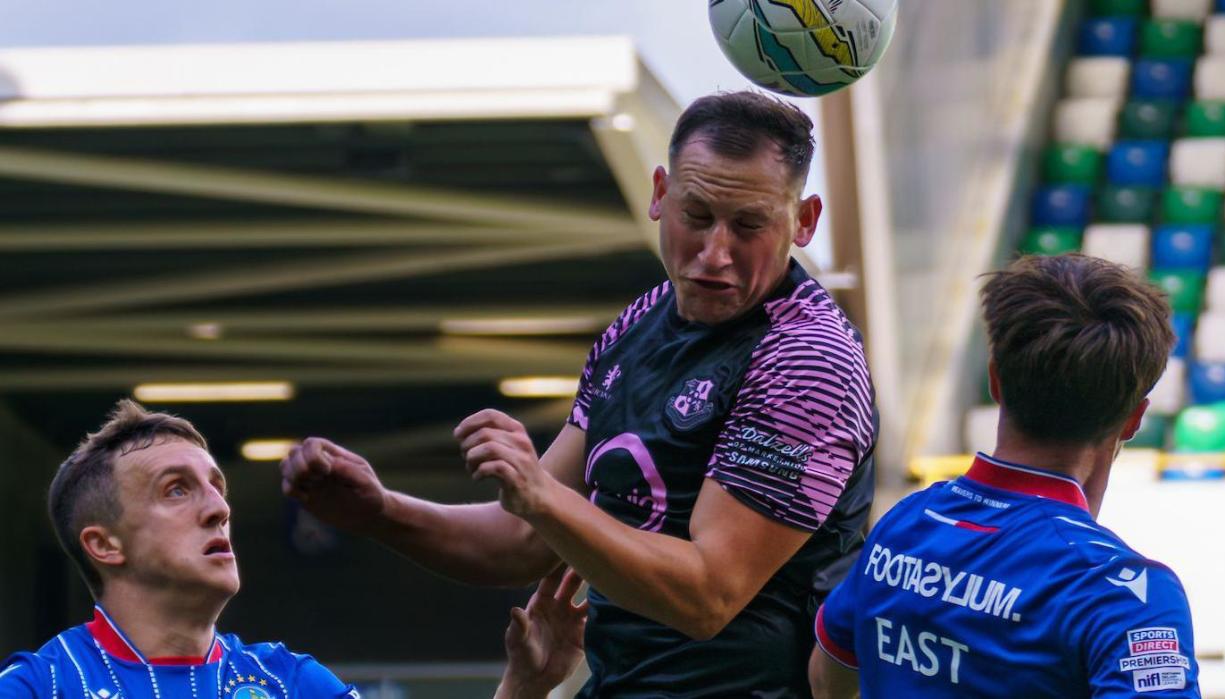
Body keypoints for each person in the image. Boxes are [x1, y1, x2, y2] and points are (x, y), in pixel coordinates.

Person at [280, 90, 878, 697]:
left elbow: (708, 595)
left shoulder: (808, 362)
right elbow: (522, 542)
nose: (714, 252)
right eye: (696, 216)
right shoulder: (639, 324)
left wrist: (539, 493)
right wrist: (381, 512)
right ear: (659, 194)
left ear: (803, 221)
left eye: (749, 224)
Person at [0, 399, 581, 699]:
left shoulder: (285, 680)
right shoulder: (39, 686)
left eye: (216, 487)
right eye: (176, 490)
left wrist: (525, 686)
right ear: (104, 545)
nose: (218, 508)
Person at [809, 254, 1200, 697]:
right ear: (1134, 419)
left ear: (996, 381)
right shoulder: (1127, 596)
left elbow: (827, 679)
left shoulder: (904, 524)